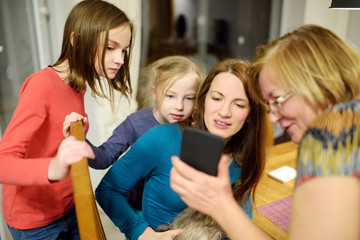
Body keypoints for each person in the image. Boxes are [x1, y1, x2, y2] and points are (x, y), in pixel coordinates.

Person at [170, 24, 360, 240]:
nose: (273, 118)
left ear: (315, 84)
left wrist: (221, 206)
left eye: (278, 100)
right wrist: (221, 205)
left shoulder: (332, 137)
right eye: (270, 106)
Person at [0, 1, 134, 239]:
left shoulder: (78, 84)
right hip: (35, 221)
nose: (120, 60)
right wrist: (53, 167)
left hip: (68, 206)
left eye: (124, 50)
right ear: (78, 40)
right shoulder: (41, 84)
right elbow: (3, 163)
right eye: (111, 48)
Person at [95, 58, 268, 240]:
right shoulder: (161, 138)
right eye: (217, 98)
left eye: (239, 104)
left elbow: (238, 224)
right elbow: (107, 190)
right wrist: (142, 233)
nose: (225, 112)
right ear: (203, 100)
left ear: (250, 114)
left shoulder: (246, 157)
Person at [63, 55, 204, 212]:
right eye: (170, 96)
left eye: (189, 98)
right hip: (140, 209)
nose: (179, 106)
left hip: (180, 209)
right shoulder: (136, 123)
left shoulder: (196, 126)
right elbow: (104, 157)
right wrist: (82, 141)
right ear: (155, 93)